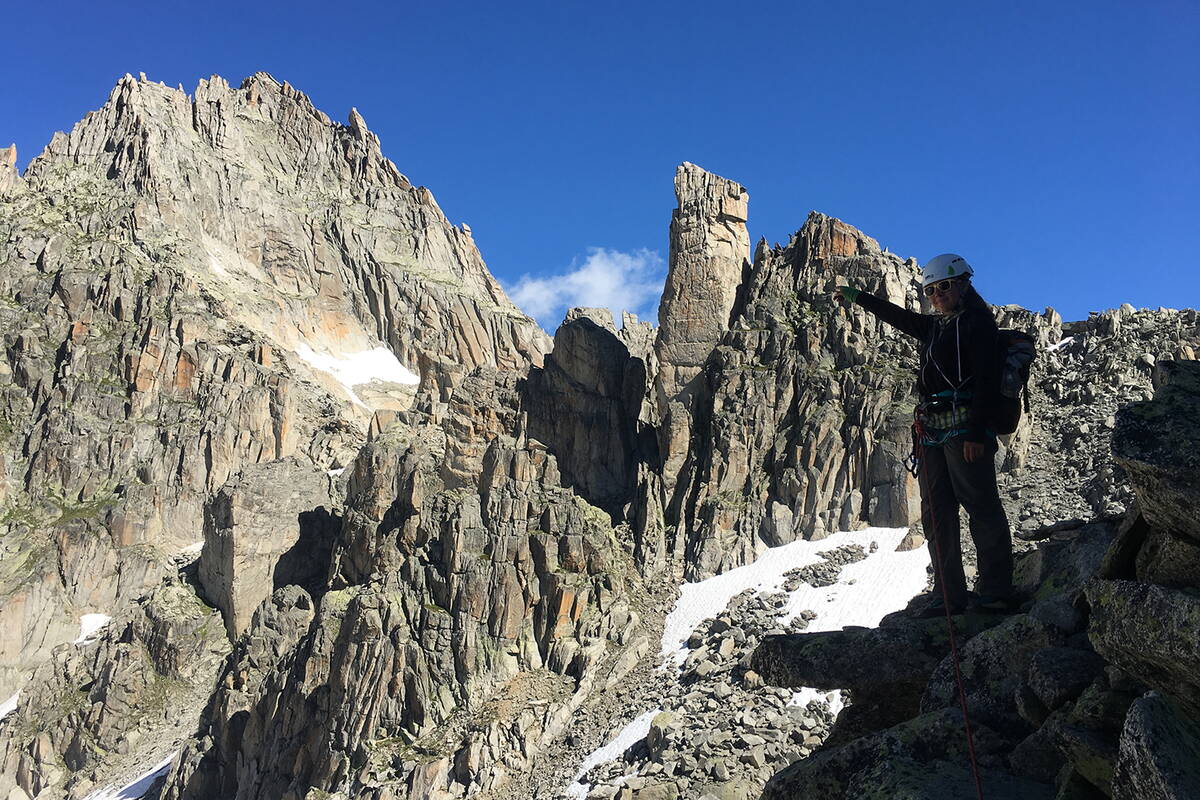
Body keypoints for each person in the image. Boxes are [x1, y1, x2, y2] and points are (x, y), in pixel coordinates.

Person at [837, 254, 1014, 617]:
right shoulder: (937, 328)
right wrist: (858, 297)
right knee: (936, 513)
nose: (937, 295)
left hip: (966, 429)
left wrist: (977, 433)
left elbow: (984, 379)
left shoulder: (978, 324)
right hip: (933, 431)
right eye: (931, 290)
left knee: (980, 507)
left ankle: (996, 591)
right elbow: (900, 319)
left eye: (944, 286)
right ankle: (949, 595)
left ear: (964, 283)